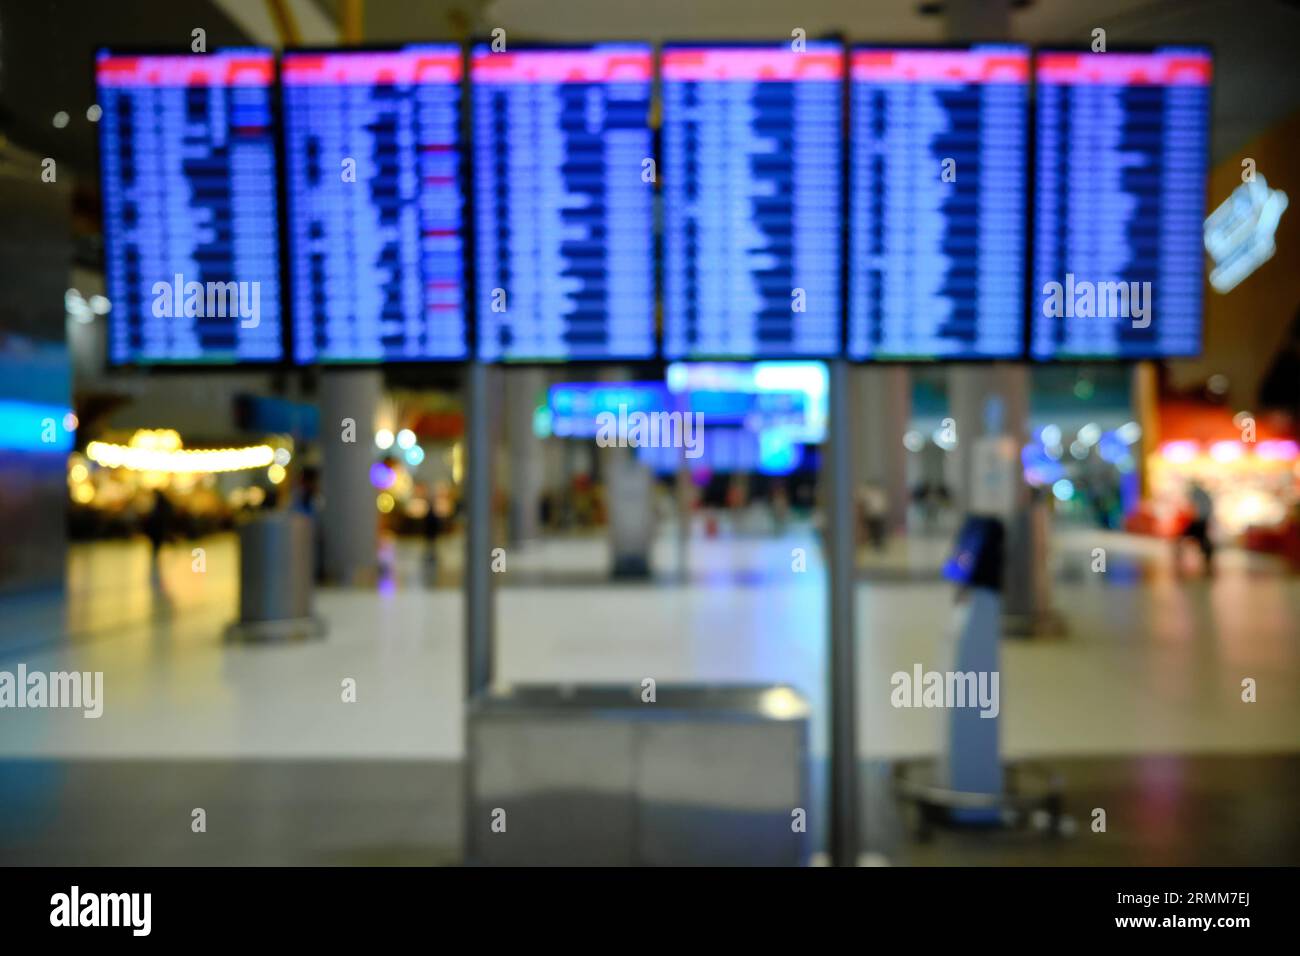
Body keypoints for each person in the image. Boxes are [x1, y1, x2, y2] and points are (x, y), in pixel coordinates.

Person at [142, 489, 175, 592]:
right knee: (156, 545)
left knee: (156, 545)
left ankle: (156, 557)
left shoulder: (160, 505)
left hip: (158, 529)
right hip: (159, 530)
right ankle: (156, 556)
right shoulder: (163, 504)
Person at [1180, 480, 1216, 575]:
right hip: (1201, 520)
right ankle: (1207, 555)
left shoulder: (1195, 494)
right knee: (1202, 539)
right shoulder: (1205, 495)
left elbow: (1192, 508)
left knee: (1198, 538)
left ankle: (1207, 555)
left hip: (1198, 520)